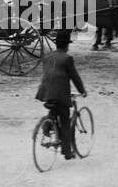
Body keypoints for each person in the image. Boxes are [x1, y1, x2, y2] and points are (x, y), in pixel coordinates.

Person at [35, 30, 86, 160]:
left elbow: (50, 75)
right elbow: (75, 77)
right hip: (60, 93)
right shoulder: (67, 58)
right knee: (65, 121)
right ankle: (67, 152)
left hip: (45, 91)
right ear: (66, 45)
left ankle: (47, 124)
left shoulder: (47, 56)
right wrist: (82, 91)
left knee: (54, 109)